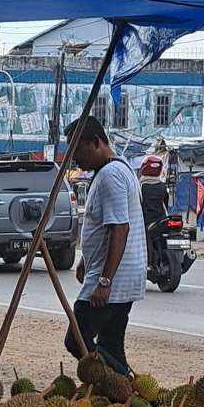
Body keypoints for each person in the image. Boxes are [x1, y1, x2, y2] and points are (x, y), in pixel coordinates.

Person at [65, 119, 146, 375]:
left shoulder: (111, 175)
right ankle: (124, 392)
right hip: (121, 276)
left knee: (76, 339)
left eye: (78, 151)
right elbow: (103, 226)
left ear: (96, 143)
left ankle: (119, 382)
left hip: (114, 279)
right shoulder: (118, 170)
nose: (76, 160)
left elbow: (119, 229)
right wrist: (85, 260)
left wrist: (104, 281)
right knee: (111, 344)